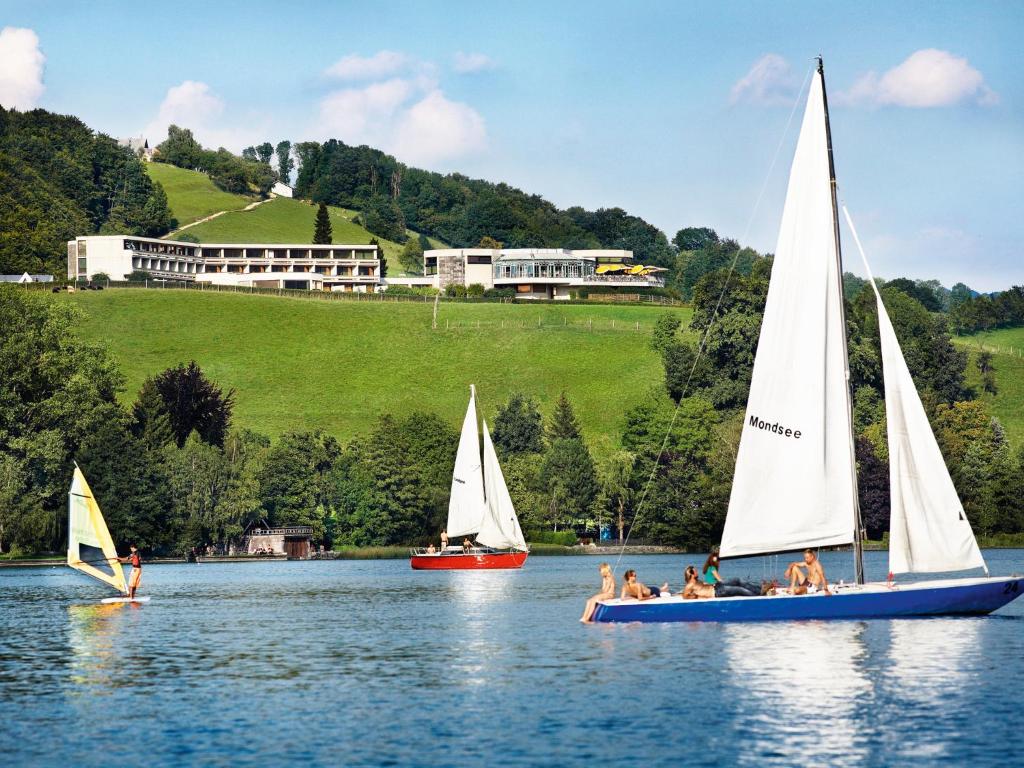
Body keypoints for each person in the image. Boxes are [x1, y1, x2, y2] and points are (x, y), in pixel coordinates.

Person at [682, 565, 762, 599]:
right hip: (717, 592)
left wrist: (710, 583)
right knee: (739, 589)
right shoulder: (689, 585)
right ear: (692, 574)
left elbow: (702, 586)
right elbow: (685, 596)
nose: (697, 572)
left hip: (717, 586)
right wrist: (698, 597)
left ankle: (760, 590)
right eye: (696, 571)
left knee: (738, 580)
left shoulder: (697, 581)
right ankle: (759, 596)